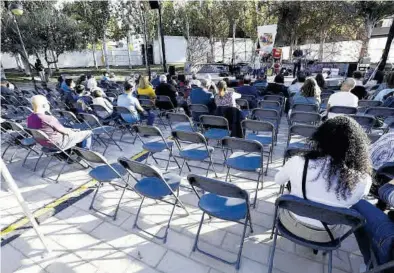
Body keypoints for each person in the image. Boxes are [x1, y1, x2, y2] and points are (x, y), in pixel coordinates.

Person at [275, 116, 372, 242]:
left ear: (320, 137)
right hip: (328, 236)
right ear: (358, 147)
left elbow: (278, 180)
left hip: (292, 224)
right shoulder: (363, 180)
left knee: (287, 193)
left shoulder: (298, 162)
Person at [27, 95, 92, 150]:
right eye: (48, 103)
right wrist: (74, 131)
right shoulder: (49, 118)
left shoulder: (29, 118)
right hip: (58, 144)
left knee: (73, 132)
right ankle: (86, 151)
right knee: (88, 133)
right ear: (44, 105)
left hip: (44, 144)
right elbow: (64, 131)